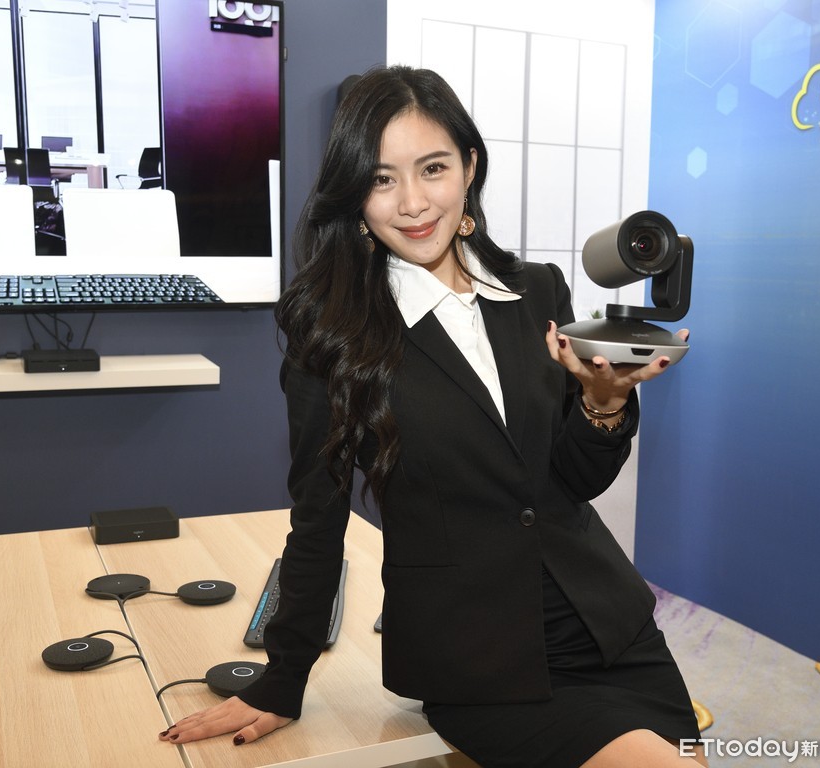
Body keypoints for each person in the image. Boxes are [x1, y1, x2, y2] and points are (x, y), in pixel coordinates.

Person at [159, 65, 706, 768]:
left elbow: (569, 483)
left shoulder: (537, 290)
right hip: (477, 658)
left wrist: (604, 404)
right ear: (354, 193)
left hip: (607, 625)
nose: (413, 202)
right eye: (381, 179)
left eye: (433, 168)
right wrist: (284, 674)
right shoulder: (332, 331)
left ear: (469, 168)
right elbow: (318, 516)